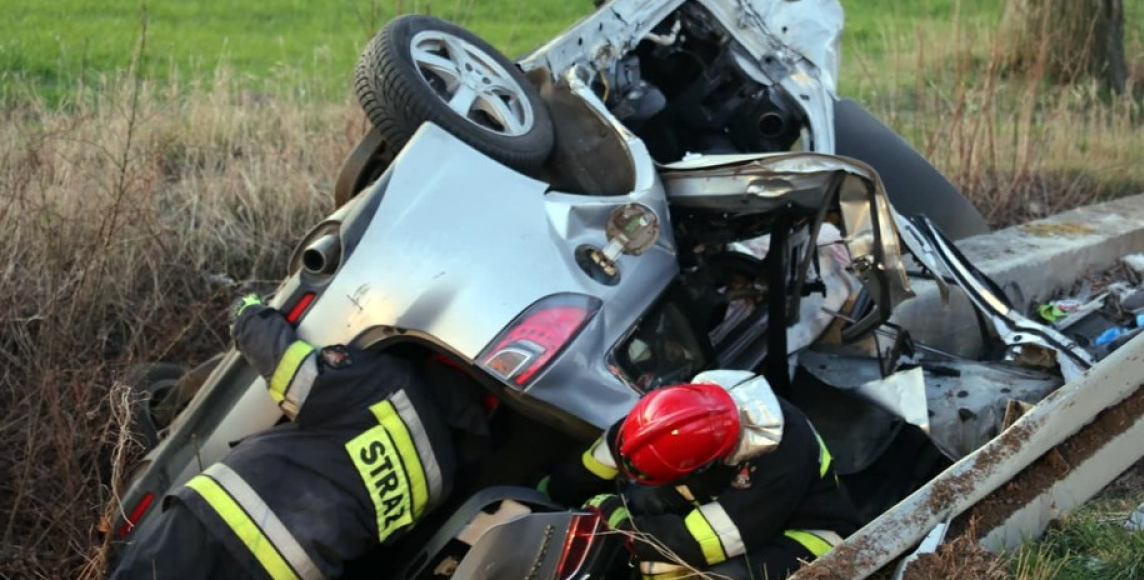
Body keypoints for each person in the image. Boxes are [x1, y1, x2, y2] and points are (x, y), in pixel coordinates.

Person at [111, 294, 487, 580]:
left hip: (221, 524)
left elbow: (292, 370)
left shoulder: (389, 386)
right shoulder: (443, 478)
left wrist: (247, 313)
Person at [543, 370, 861, 580]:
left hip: (808, 535)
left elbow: (699, 543)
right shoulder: (674, 414)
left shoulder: (781, 457)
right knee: (641, 496)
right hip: (730, 505)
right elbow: (602, 457)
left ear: (706, 463)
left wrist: (617, 524)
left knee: (674, 571)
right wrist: (547, 496)